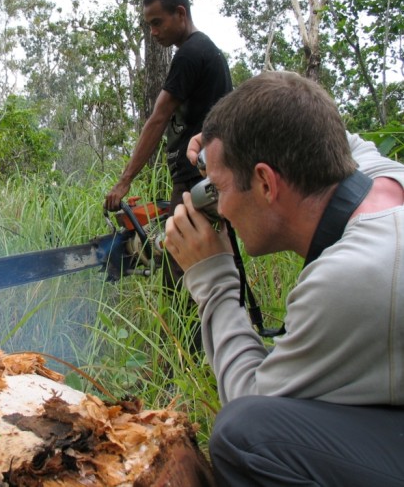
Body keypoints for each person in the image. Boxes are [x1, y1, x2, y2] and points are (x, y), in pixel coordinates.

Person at [164, 71, 404, 486]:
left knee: (244, 435)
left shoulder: (347, 278)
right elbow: (315, 128)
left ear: (265, 182)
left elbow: (252, 401)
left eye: (218, 189)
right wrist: (227, 137)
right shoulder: (381, 175)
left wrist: (214, 280)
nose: (218, 207)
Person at [104, 0, 232, 293]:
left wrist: (125, 181)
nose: (153, 32)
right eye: (149, 25)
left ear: (180, 13)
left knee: (181, 275)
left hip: (196, 181)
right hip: (202, 178)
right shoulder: (205, 50)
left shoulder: (191, 53)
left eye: (157, 22)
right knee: (205, 262)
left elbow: (158, 118)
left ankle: (184, 342)